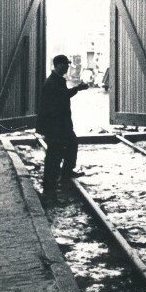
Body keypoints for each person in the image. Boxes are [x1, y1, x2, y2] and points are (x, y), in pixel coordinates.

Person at [37, 54, 89, 192]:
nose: (67, 66)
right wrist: (78, 89)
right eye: (65, 64)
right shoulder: (52, 82)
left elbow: (63, 95)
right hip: (55, 125)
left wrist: (78, 88)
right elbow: (57, 102)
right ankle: (49, 186)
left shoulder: (58, 80)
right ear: (58, 65)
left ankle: (65, 174)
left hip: (61, 124)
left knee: (71, 145)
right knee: (55, 154)